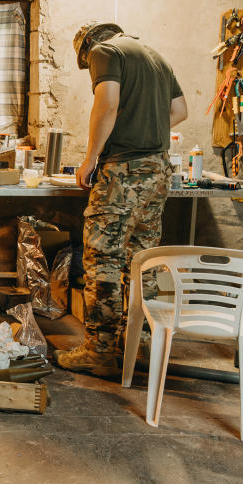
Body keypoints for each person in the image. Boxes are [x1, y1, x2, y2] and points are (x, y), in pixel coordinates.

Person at [54, 22, 187, 376]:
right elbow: (180, 111)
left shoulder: (104, 51)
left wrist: (91, 157)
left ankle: (99, 351)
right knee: (141, 258)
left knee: (103, 258)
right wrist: (144, 128)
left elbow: (107, 104)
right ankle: (137, 344)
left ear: (87, 47)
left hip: (124, 170)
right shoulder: (156, 57)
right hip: (158, 170)